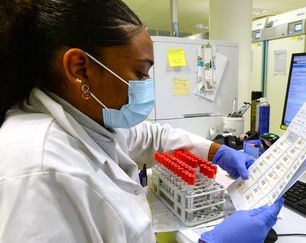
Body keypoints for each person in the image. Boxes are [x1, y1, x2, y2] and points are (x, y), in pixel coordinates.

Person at [0, 0, 283, 242]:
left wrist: (218, 152)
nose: (146, 85)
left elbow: (150, 136)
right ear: (80, 69)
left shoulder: (88, 120)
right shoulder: (37, 172)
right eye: (139, 73)